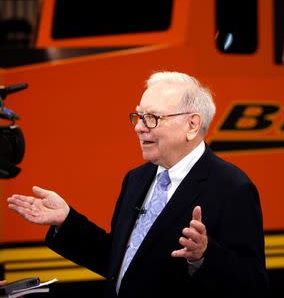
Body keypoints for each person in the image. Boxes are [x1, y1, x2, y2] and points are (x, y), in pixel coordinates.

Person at [7, 71, 269, 298]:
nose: (139, 128)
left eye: (152, 118)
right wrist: (66, 221)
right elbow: (122, 261)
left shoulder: (232, 187)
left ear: (192, 124)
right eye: (139, 116)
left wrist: (204, 255)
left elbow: (253, 286)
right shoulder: (137, 178)